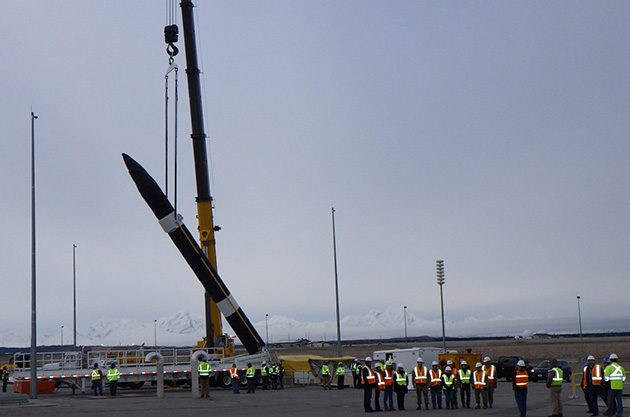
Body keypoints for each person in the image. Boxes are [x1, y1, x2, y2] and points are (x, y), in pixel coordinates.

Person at [604, 353, 625, 417]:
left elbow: (606, 378)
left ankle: (611, 412)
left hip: (611, 387)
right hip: (619, 386)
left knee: (610, 400)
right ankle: (620, 413)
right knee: (619, 401)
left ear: (610, 360)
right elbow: (623, 378)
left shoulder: (608, 368)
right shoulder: (621, 368)